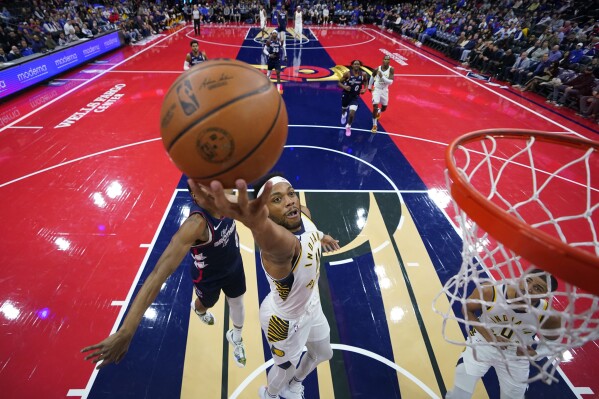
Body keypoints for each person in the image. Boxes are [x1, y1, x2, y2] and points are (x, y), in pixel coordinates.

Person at [187, 174, 340, 399]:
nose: (290, 201)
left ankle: (295, 386)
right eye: (277, 200)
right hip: (284, 322)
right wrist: (247, 215)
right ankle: (270, 395)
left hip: (312, 305)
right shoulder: (279, 248)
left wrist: (321, 236)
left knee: (324, 353)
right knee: (285, 368)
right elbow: (267, 235)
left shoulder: (303, 213)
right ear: (265, 213)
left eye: (291, 193)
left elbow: (309, 230)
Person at [81, 185, 248, 369]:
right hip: (209, 277)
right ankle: (198, 309)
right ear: (195, 198)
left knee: (238, 302)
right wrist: (126, 330)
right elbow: (157, 275)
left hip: (234, 265)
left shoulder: (228, 196)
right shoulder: (195, 226)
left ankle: (236, 337)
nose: (211, 191)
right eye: (202, 189)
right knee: (206, 303)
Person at [445, 268, 562, 399]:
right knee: (461, 389)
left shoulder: (550, 316)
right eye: (527, 281)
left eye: (537, 288)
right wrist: (490, 336)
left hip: (516, 355)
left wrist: (536, 354)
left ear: (545, 296)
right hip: (483, 342)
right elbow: (467, 309)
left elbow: (552, 342)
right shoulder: (490, 291)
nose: (527, 289)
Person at [339, 59, 368, 137]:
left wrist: (365, 89)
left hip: (355, 96)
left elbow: (365, 81)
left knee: (352, 113)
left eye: (358, 64)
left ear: (360, 65)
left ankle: (348, 126)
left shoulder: (363, 74)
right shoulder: (347, 74)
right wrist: (345, 87)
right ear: (352, 65)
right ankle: (343, 115)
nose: (356, 65)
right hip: (346, 95)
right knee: (344, 109)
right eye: (355, 64)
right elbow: (339, 82)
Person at [368, 55, 395, 133]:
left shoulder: (391, 69)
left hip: (385, 90)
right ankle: (374, 125)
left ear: (389, 61)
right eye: (385, 59)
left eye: (388, 59)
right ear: (382, 60)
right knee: (375, 106)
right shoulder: (377, 69)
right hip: (377, 89)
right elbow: (372, 77)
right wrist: (370, 87)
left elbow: (390, 82)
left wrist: (382, 76)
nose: (386, 60)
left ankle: (379, 111)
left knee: (384, 108)